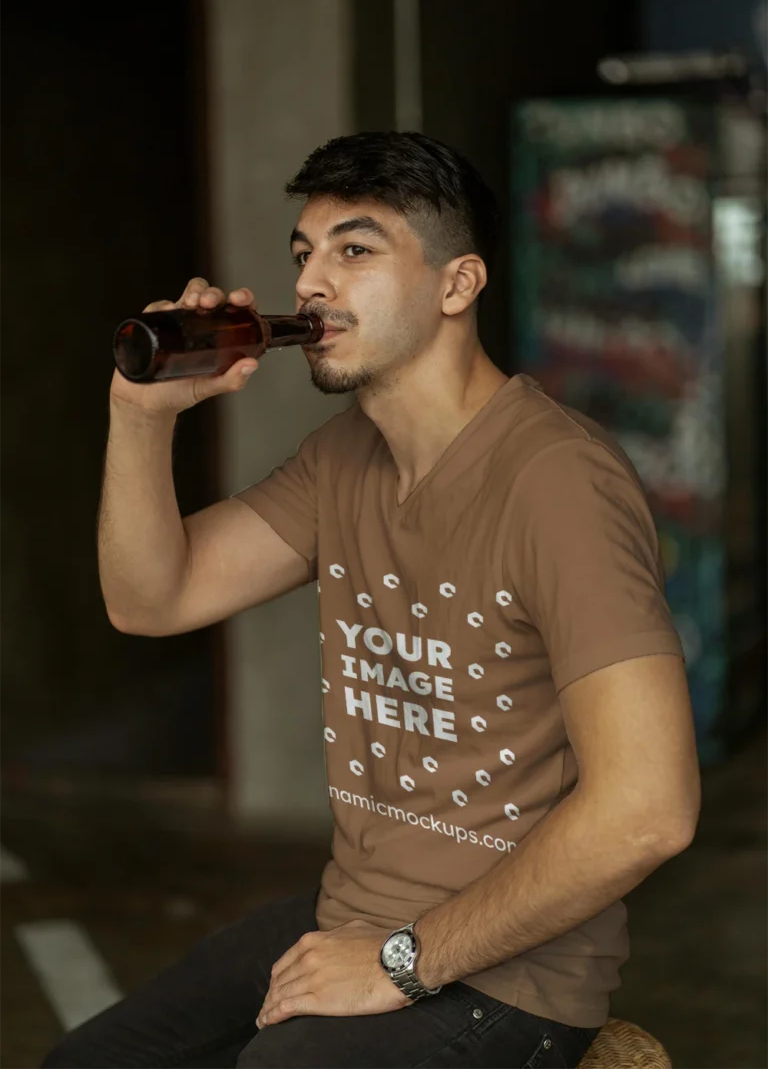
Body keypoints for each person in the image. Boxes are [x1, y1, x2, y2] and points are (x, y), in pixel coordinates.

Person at [49, 132, 700, 1069]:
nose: (312, 283)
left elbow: (650, 808)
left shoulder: (558, 484)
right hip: (348, 915)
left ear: (457, 285)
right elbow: (153, 599)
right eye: (303, 254)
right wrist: (140, 417)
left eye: (355, 250)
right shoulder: (342, 459)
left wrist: (403, 962)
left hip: (506, 978)